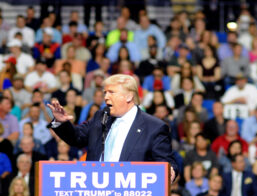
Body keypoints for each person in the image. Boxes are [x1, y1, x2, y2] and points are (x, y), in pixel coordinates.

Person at [47, 74, 178, 182]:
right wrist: (61, 122)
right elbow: (77, 138)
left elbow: (165, 162)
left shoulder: (154, 127)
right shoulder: (101, 116)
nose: (105, 97)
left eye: (111, 92)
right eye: (105, 92)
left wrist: (169, 171)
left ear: (129, 96)